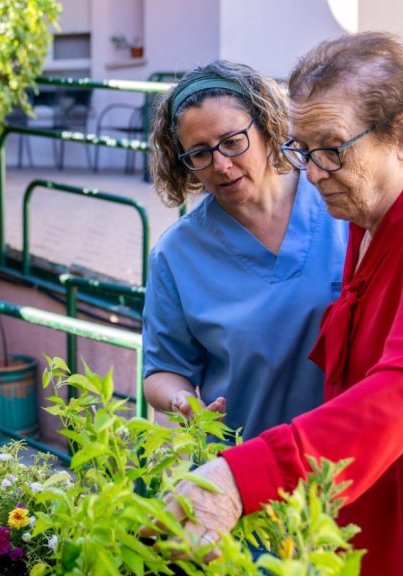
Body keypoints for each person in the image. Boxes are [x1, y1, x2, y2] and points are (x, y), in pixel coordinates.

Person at [163, 32, 403, 574]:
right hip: (395, 513)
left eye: (332, 147)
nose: (313, 172)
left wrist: (239, 477)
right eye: (303, 149)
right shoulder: (367, 220)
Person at [143, 60, 347, 440]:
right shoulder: (177, 255)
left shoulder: (338, 203)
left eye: (233, 142)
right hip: (244, 468)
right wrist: (182, 401)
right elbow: (162, 370)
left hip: (351, 455)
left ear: (267, 127)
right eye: (199, 153)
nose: (221, 165)